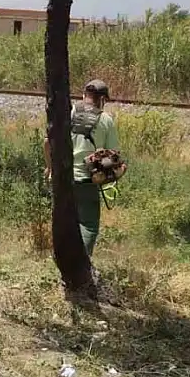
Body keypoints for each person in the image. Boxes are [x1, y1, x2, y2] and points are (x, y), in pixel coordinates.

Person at [43, 79, 121, 257]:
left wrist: (50, 169)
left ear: (84, 95)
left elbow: (47, 142)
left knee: (63, 223)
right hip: (87, 182)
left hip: (62, 178)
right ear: (102, 100)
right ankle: (81, 267)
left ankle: (60, 262)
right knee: (88, 227)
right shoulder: (105, 120)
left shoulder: (67, 113)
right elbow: (114, 154)